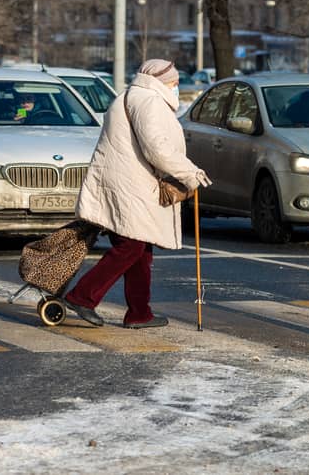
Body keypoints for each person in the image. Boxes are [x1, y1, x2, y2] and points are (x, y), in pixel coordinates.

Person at [62, 59, 212, 329]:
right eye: (175, 82)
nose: (177, 87)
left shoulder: (132, 96)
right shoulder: (148, 102)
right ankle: (82, 298)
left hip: (128, 183)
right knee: (131, 247)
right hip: (131, 186)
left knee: (141, 248)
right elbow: (157, 148)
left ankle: (139, 313)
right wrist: (190, 173)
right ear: (162, 81)